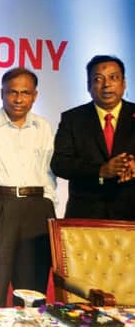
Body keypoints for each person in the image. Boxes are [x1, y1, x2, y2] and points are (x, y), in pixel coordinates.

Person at [0, 67, 56, 307]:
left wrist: (50, 207)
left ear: (35, 96)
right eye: (12, 92)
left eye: (25, 93)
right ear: (1, 93)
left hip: (37, 209)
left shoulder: (43, 126)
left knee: (32, 289)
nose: (18, 99)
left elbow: (48, 173)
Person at [51, 55, 135, 220]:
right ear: (89, 86)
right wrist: (100, 171)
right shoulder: (73, 119)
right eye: (98, 79)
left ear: (124, 83)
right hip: (86, 213)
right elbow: (60, 164)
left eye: (113, 77)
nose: (106, 84)